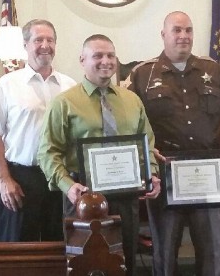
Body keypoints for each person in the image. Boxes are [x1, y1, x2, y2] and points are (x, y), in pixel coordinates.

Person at [128, 11, 220, 276]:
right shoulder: (143, 73)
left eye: (188, 30)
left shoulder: (212, 69)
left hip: (208, 170)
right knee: (165, 250)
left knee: (212, 249)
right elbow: (131, 121)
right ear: (163, 34)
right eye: (177, 30)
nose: (183, 36)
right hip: (165, 171)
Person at [37, 34, 161, 276]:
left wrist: (152, 174)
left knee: (125, 262)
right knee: (86, 265)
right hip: (83, 197)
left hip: (126, 196)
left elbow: (147, 142)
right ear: (82, 60)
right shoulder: (64, 103)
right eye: (98, 56)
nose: (106, 61)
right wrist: (68, 186)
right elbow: (48, 151)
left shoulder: (132, 100)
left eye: (111, 55)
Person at [0, 19, 76, 242]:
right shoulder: (7, 84)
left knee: (59, 251)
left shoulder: (70, 86)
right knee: (17, 252)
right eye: (38, 40)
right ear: (25, 45)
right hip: (20, 179)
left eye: (50, 40)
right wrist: (4, 179)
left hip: (59, 179)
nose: (45, 45)